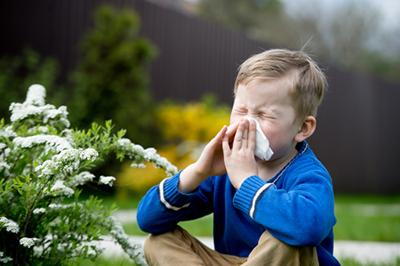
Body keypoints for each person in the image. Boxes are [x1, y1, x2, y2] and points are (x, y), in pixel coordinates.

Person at [137, 49, 340, 266]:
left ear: (303, 127)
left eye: (265, 115)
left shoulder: (308, 174)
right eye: (241, 111)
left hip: (284, 260)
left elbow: (307, 229)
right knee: (158, 241)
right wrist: (197, 172)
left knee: (286, 238)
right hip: (232, 261)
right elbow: (148, 220)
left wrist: (246, 182)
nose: (247, 124)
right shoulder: (225, 169)